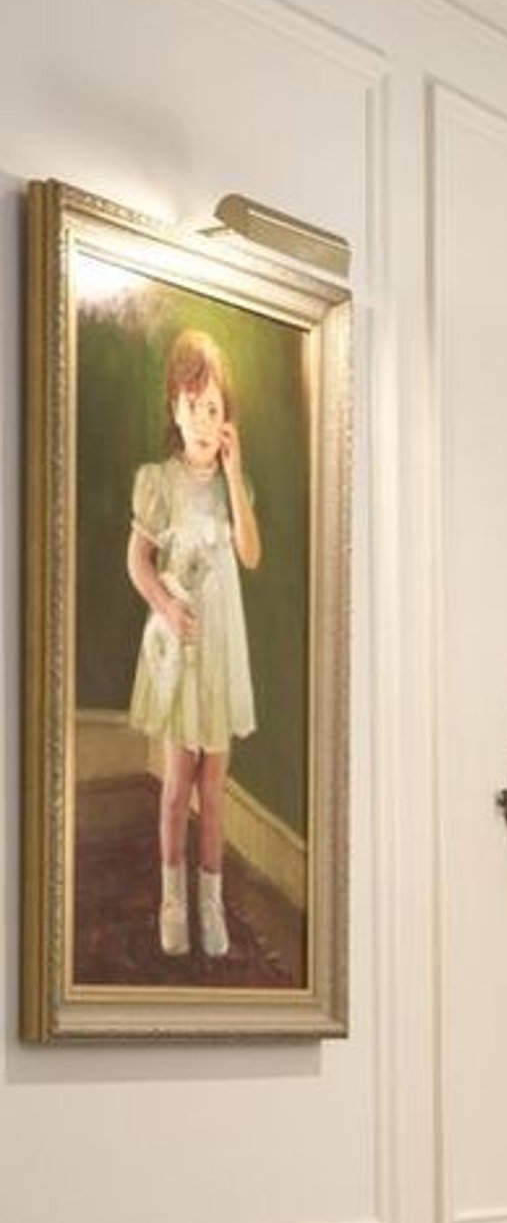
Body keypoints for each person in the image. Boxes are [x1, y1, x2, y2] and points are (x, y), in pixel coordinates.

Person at [126, 327, 260, 960]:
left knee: (216, 782)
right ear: (173, 410)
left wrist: (234, 476)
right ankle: (172, 894)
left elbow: (252, 556)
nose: (203, 420)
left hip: (222, 652)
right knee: (179, 779)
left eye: (213, 408)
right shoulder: (160, 481)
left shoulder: (233, 488)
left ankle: (211, 899)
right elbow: (139, 563)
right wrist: (166, 604)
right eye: (191, 405)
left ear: (225, 418)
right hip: (182, 653)